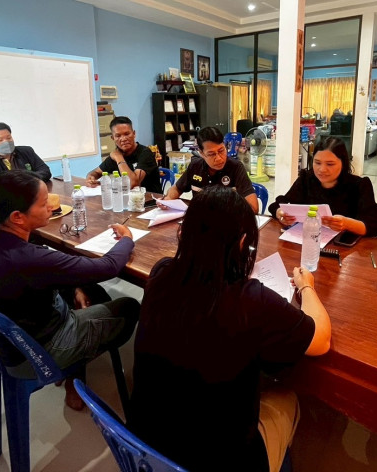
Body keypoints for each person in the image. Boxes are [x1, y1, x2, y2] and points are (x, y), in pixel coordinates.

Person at [128, 186, 331, 472]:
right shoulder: (251, 299)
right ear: (243, 243)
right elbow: (320, 340)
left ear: (184, 233)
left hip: (142, 451)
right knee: (287, 397)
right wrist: (307, 287)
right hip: (219, 461)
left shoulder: (161, 273)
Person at [0, 170, 140, 410]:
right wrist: (127, 239)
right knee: (129, 306)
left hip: (10, 344)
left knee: (89, 291)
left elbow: (47, 275)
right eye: (43, 204)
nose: (52, 207)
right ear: (18, 217)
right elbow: (109, 266)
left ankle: (74, 373)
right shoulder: (28, 258)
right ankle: (73, 370)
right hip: (36, 353)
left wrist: (75, 286)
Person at [268, 136, 377, 236]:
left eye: (330, 164)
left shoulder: (359, 185)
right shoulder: (306, 179)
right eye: (317, 162)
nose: (322, 169)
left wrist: (347, 224)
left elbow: (375, 225)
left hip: (344, 248)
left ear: (343, 163)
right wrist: (281, 214)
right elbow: (278, 204)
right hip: (306, 241)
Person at [165, 126, 259, 213]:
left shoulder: (236, 167)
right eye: (211, 154)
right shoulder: (195, 166)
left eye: (221, 151)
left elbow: (253, 208)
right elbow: (176, 189)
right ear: (201, 153)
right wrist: (168, 199)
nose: (218, 158)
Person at [85, 116, 160, 193]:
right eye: (118, 136)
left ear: (134, 134)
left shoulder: (145, 153)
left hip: (149, 198)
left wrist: (119, 158)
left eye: (127, 134)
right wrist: (91, 177)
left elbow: (133, 184)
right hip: (127, 197)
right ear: (113, 138)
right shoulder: (116, 154)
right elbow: (96, 172)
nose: (123, 139)